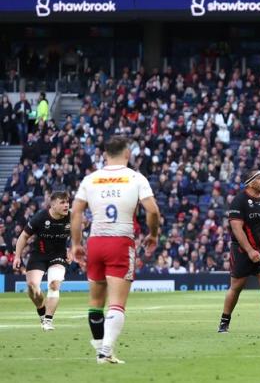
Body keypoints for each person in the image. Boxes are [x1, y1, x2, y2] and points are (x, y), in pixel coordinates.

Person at [71, 136, 160, 364]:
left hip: (96, 242)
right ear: (127, 154)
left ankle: (101, 351)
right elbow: (152, 210)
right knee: (117, 303)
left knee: (95, 302)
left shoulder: (91, 179)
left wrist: (76, 243)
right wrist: (153, 234)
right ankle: (107, 349)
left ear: (104, 154)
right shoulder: (135, 177)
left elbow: (76, 211)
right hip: (120, 242)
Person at [218, 169, 260, 334]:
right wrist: (249, 251)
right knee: (237, 286)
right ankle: (224, 322)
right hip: (242, 250)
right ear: (250, 182)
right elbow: (237, 228)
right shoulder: (239, 201)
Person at [13, 190, 71, 331]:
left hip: (58, 255)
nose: (66, 205)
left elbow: (77, 234)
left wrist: (73, 248)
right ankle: (41, 310)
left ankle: (48, 321)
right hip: (39, 255)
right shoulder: (40, 218)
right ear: (52, 204)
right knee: (32, 287)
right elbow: (23, 237)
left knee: (54, 284)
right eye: (62, 202)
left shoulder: (71, 217)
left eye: (67, 202)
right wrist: (17, 256)